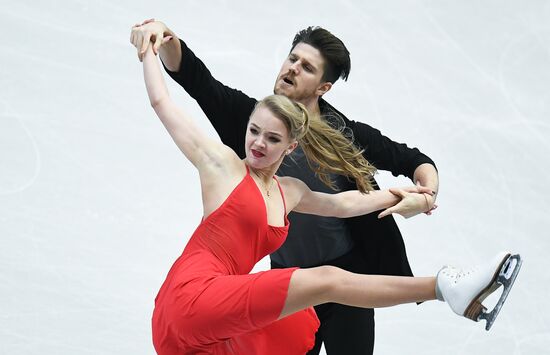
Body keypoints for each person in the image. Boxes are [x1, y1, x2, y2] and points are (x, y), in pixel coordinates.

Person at [138, 44, 521, 355]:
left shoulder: (291, 191)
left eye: (271, 139)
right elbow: (164, 103)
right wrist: (152, 45)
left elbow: (346, 204)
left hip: (214, 322)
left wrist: (412, 194)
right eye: (253, 131)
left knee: (314, 303)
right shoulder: (222, 166)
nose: (257, 142)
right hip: (192, 294)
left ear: (290, 148)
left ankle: (448, 289)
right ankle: (446, 286)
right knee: (328, 281)